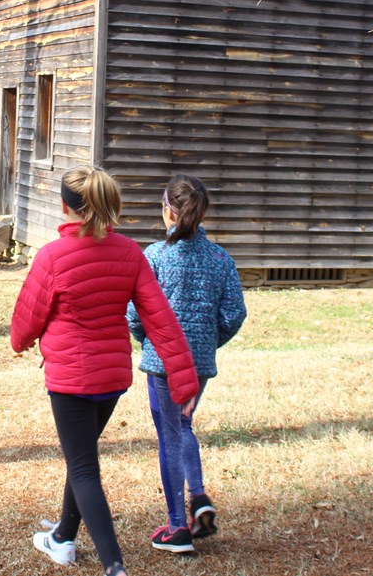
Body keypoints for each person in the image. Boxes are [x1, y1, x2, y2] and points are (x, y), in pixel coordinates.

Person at [11, 166, 199, 576]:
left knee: (83, 468)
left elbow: (25, 324)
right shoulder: (129, 252)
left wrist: (20, 342)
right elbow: (161, 319)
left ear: (64, 206)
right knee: (82, 458)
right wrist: (185, 379)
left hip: (71, 379)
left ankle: (114, 566)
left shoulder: (52, 256)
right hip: (111, 378)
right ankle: (62, 536)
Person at [127, 174, 247, 555]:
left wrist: (146, 341)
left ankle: (178, 526)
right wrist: (207, 344)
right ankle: (198, 499)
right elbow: (234, 313)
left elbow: (134, 312)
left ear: (167, 210)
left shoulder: (155, 256)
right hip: (199, 363)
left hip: (162, 361)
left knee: (169, 435)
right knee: (183, 425)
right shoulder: (220, 258)